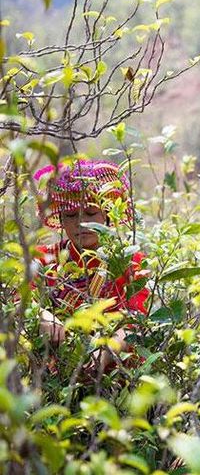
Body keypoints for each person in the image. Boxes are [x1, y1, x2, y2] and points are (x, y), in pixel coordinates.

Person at [32, 159, 148, 374]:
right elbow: (17, 302)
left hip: (116, 377)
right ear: (60, 218)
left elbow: (135, 318)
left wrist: (107, 349)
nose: (81, 223)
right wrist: (42, 316)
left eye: (91, 213)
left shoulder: (129, 261)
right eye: (70, 215)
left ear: (107, 214)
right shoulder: (43, 259)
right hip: (54, 376)